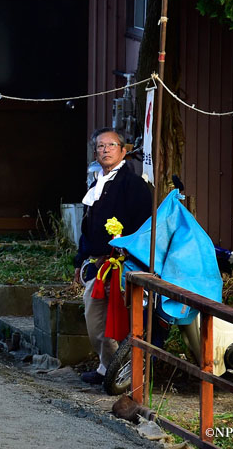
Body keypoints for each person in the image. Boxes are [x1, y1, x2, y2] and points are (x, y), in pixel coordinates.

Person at [74, 127, 152, 386]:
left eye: (110, 145)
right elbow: (87, 227)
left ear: (123, 150)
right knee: (95, 321)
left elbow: (144, 227)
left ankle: (122, 373)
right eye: (100, 146)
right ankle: (107, 366)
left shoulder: (134, 185)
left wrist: (129, 256)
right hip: (96, 264)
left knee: (119, 321)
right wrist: (79, 261)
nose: (105, 150)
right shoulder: (96, 181)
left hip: (123, 264)